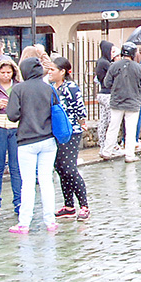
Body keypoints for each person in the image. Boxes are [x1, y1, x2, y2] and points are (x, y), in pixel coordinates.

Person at [7, 57, 60, 234]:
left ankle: (24, 223)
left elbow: (12, 115)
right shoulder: (49, 89)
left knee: (28, 183)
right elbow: (56, 110)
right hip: (48, 140)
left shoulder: (18, 89)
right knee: (46, 181)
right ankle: (50, 221)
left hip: (27, 141)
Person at [51, 57, 89, 221]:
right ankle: (68, 205)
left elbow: (79, 108)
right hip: (57, 132)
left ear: (62, 71)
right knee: (60, 168)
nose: (50, 72)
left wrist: (82, 123)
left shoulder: (71, 87)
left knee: (69, 168)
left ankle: (84, 205)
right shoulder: (52, 87)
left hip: (72, 131)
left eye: (53, 69)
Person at [0, 56, 23, 219]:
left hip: (15, 127)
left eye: (9, 72)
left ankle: (19, 202)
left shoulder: (19, 86)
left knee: (16, 167)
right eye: (3, 72)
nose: (6, 75)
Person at [103, 42, 141, 162]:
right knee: (130, 129)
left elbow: (107, 83)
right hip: (133, 102)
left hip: (117, 101)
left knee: (113, 127)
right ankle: (129, 155)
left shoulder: (114, 66)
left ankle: (106, 151)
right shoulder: (138, 68)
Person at [95, 42, 119, 151]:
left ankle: (102, 145)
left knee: (103, 120)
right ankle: (111, 145)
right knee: (111, 121)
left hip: (102, 94)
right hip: (108, 94)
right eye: (111, 51)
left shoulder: (100, 62)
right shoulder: (105, 63)